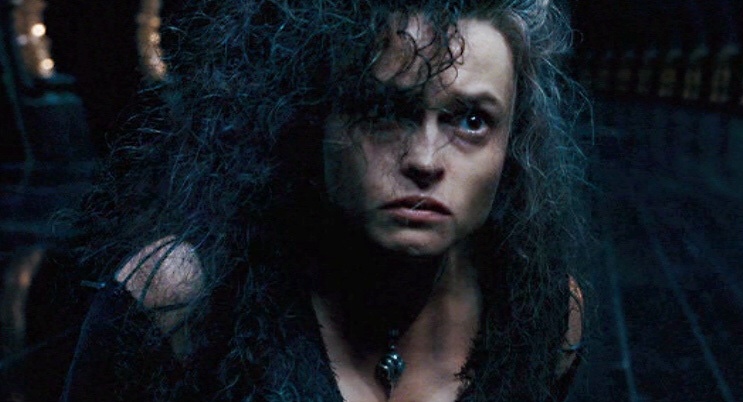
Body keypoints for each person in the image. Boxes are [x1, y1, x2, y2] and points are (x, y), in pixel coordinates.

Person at [61, 0, 588, 400]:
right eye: (383, 110)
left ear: (513, 146)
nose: (425, 159)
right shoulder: (181, 300)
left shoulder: (541, 316)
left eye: (472, 120)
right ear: (315, 118)